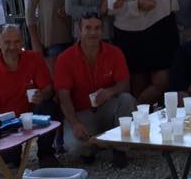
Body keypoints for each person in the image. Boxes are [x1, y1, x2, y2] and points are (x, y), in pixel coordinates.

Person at [54, 12, 136, 168]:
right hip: (81, 113)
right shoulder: (65, 58)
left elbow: (125, 85)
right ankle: (93, 147)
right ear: (79, 30)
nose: (93, 32)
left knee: (127, 99)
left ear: (102, 30)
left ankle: (119, 149)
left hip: (107, 108)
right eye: (88, 28)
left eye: (97, 28)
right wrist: (75, 123)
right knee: (73, 146)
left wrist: (110, 92)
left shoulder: (114, 52)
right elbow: (63, 97)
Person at [0, 24, 59, 172]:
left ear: (22, 43)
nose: (12, 47)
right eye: (7, 42)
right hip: (6, 124)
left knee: (49, 105)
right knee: (11, 159)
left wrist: (42, 94)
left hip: (31, 116)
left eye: (16, 42)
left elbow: (48, 88)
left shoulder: (34, 58)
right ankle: (8, 153)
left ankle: (46, 153)